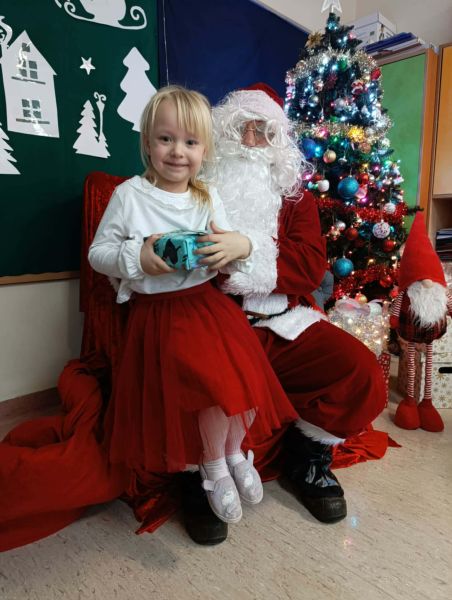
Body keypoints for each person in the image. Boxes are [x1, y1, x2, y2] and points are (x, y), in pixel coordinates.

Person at [88, 86, 298, 540]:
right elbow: (98, 254)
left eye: (190, 142)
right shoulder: (129, 196)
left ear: (205, 150)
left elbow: (229, 245)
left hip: (207, 306)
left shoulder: (207, 195)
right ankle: (213, 466)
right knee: (209, 385)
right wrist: (137, 258)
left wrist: (236, 246)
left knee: (241, 379)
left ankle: (234, 451)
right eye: (165, 139)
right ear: (147, 143)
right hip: (159, 313)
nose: (177, 152)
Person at [194, 83, 387, 533]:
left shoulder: (297, 200)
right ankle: (199, 474)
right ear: (225, 133)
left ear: (278, 142)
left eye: (264, 132)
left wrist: (245, 251)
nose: (252, 141)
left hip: (282, 322)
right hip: (217, 326)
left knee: (361, 372)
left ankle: (308, 458)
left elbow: (308, 266)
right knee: (192, 372)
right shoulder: (199, 190)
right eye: (243, 129)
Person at [390, 212, 452, 432]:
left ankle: (427, 402)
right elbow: (396, 311)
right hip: (411, 334)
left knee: (429, 365)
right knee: (412, 364)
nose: (426, 281)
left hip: (432, 334)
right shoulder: (406, 293)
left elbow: (449, 304)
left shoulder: (441, 292)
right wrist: (395, 321)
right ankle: (409, 400)